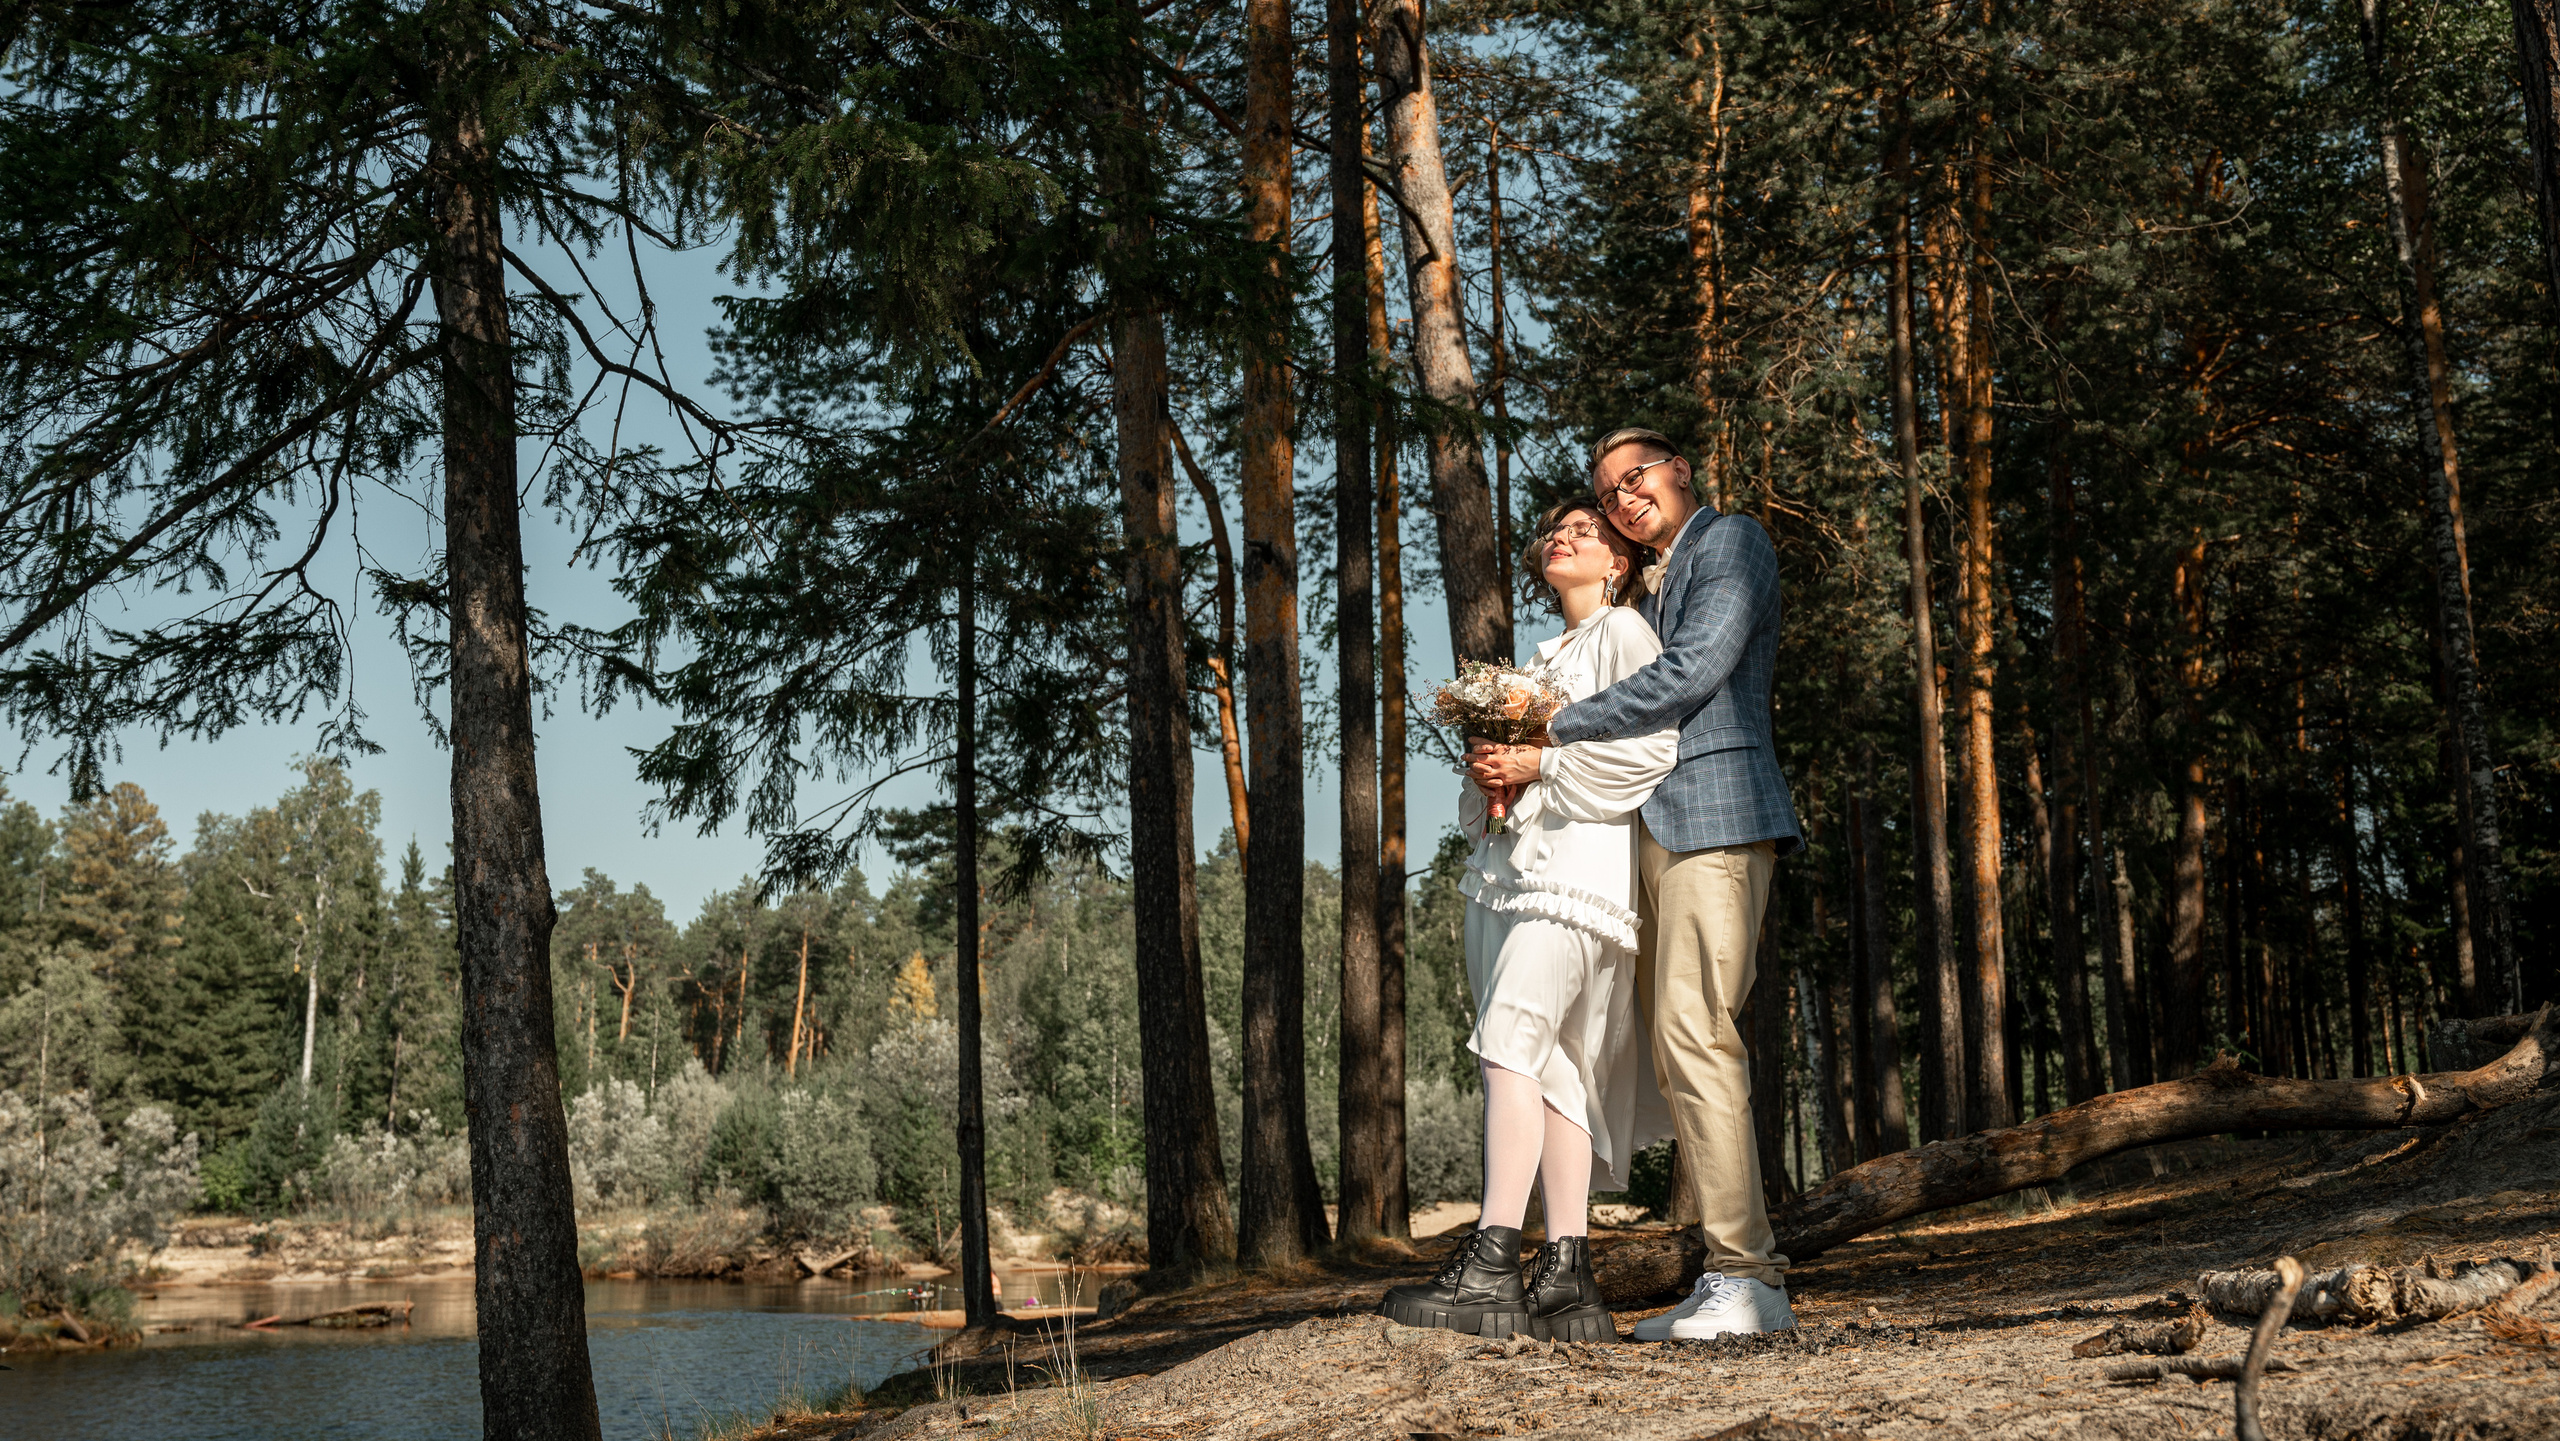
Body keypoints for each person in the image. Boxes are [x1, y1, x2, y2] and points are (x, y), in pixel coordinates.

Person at [1467, 427, 1803, 1341]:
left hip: (1717, 818)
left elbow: (1693, 673)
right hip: (1650, 835)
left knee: (1696, 1031)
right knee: (1671, 1042)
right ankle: (1729, 1270)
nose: (1622, 498)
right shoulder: (1649, 584)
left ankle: (1748, 1276)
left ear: (1681, 471)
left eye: (1636, 477)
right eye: (1609, 489)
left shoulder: (1731, 541)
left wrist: (1556, 726)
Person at [1377, 498, 1678, 1342]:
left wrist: (1541, 759)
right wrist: (1491, 774)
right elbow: (1504, 789)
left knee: (1511, 1039)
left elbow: (1652, 749)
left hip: (1577, 875)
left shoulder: (1625, 637)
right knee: (1554, 1069)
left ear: (1619, 561)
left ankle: (1491, 1259)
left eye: (1586, 531)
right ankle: (1569, 1273)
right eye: (1555, 530)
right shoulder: (1543, 656)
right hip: (1509, 873)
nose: (1565, 537)